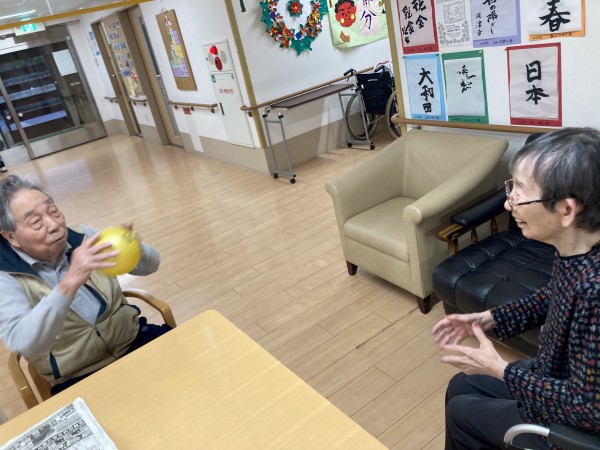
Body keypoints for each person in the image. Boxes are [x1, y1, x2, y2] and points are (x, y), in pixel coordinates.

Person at [432, 127, 600, 449]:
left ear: (566, 210)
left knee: (460, 412)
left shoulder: (595, 289)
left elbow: (588, 408)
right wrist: (487, 318)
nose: (509, 205)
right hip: (552, 377)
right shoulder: (578, 251)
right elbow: (551, 297)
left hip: (565, 426)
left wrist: (501, 369)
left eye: (520, 191)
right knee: (460, 386)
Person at [0, 174, 171, 395]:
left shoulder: (82, 237)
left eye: (53, 211)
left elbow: (151, 266)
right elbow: (23, 340)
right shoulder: (6, 276)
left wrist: (137, 249)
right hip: (78, 377)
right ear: (11, 237)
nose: (54, 225)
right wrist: (70, 281)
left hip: (135, 340)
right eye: (35, 222)